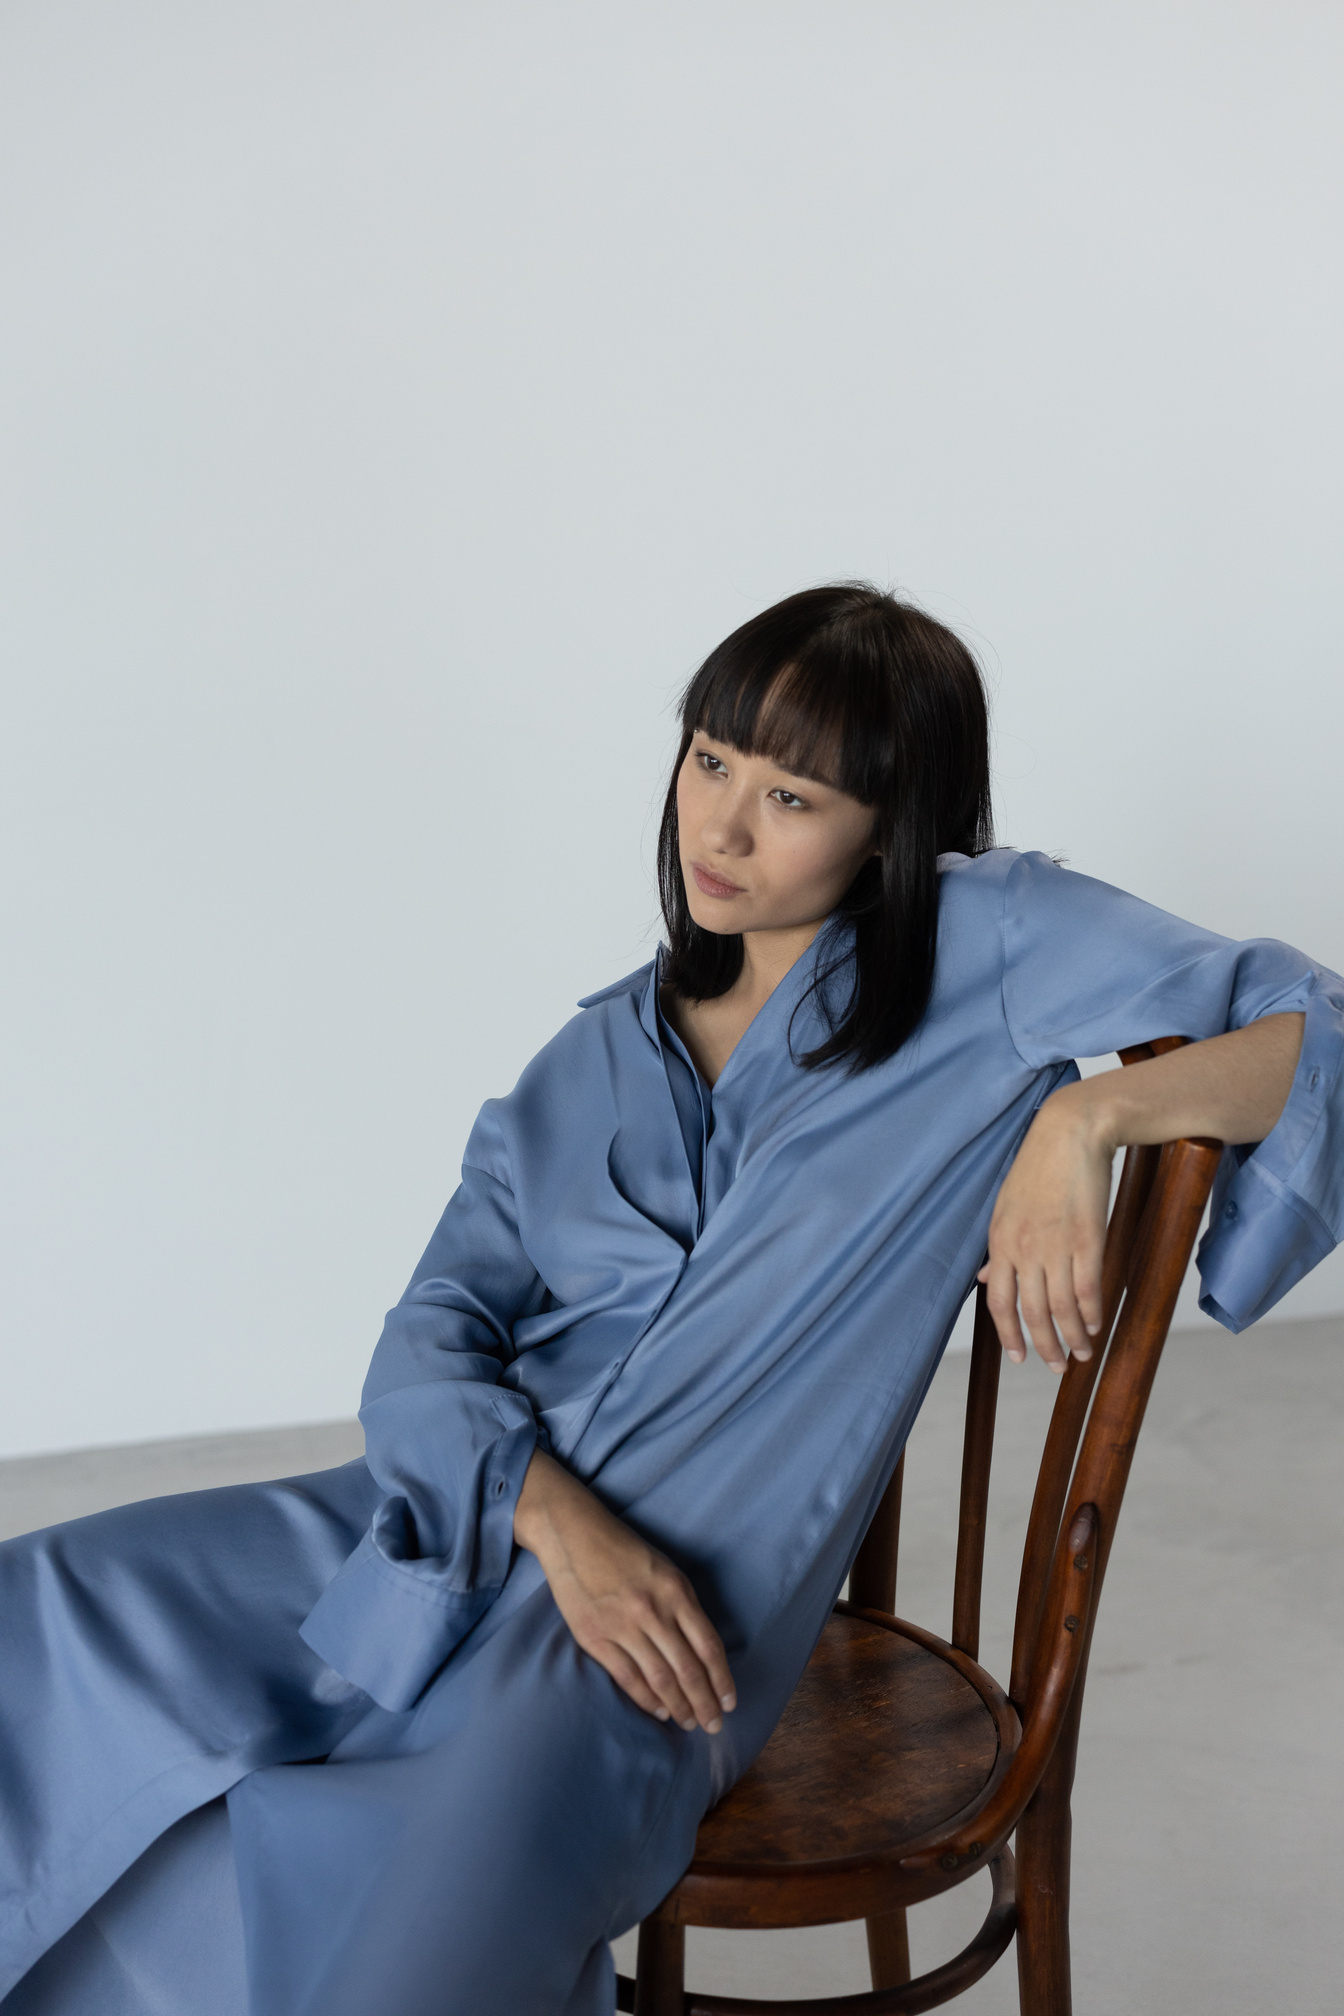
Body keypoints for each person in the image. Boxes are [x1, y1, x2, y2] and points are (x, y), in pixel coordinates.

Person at [1, 584, 1339, 2016]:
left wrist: (1089, 1122)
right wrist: (550, 1515)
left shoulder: (988, 947)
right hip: (448, 1520)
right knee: (44, 1609)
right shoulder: (588, 1056)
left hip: (665, 1626)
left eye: (792, 794)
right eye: (709, 762)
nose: (723, 828)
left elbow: (1316, 1028)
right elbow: (424, 1343)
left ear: (890, 822)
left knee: (413, 1886)